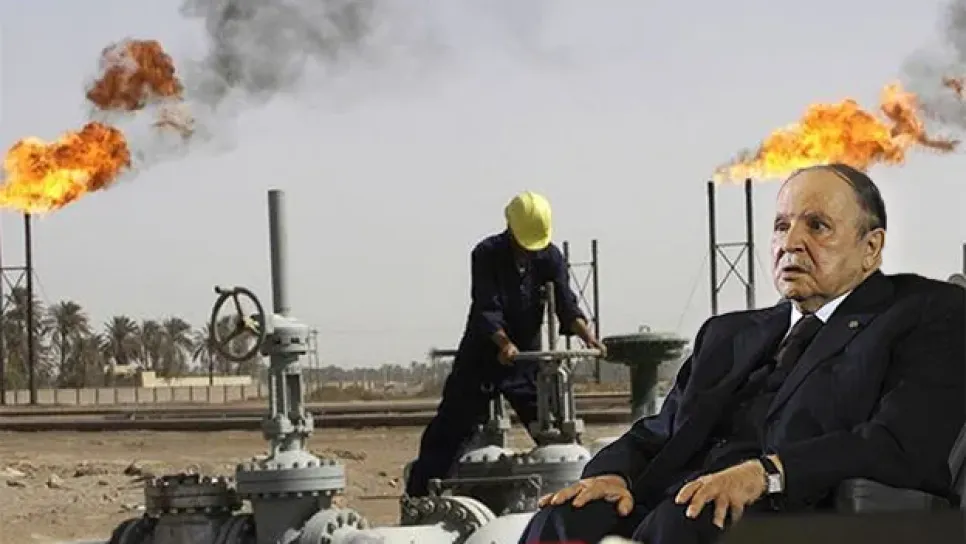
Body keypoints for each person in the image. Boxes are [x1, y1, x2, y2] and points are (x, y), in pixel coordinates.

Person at [520, 163, 966, 543]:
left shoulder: (924, 314)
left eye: (817, 226)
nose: (791, 242)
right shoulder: (727, 334)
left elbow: (898, 443)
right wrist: (612, 473)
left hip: (797, 510)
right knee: (562, 519)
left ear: (871, 248)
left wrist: (768, 472)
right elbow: (660, 431)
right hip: (676, 497)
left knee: (689, 517)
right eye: (781, 226)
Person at [405, 190, 607, 497]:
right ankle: (419, 499)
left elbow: (566, 304)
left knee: (556, 436)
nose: (529, 251)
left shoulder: (550, 257)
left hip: (525, 361)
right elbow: (487, 307)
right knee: (448, 433)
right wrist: (503, 343)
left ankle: (574, 499)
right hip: (482, 357)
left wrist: (587, 335)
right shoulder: (486, 254)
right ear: (510, 227)